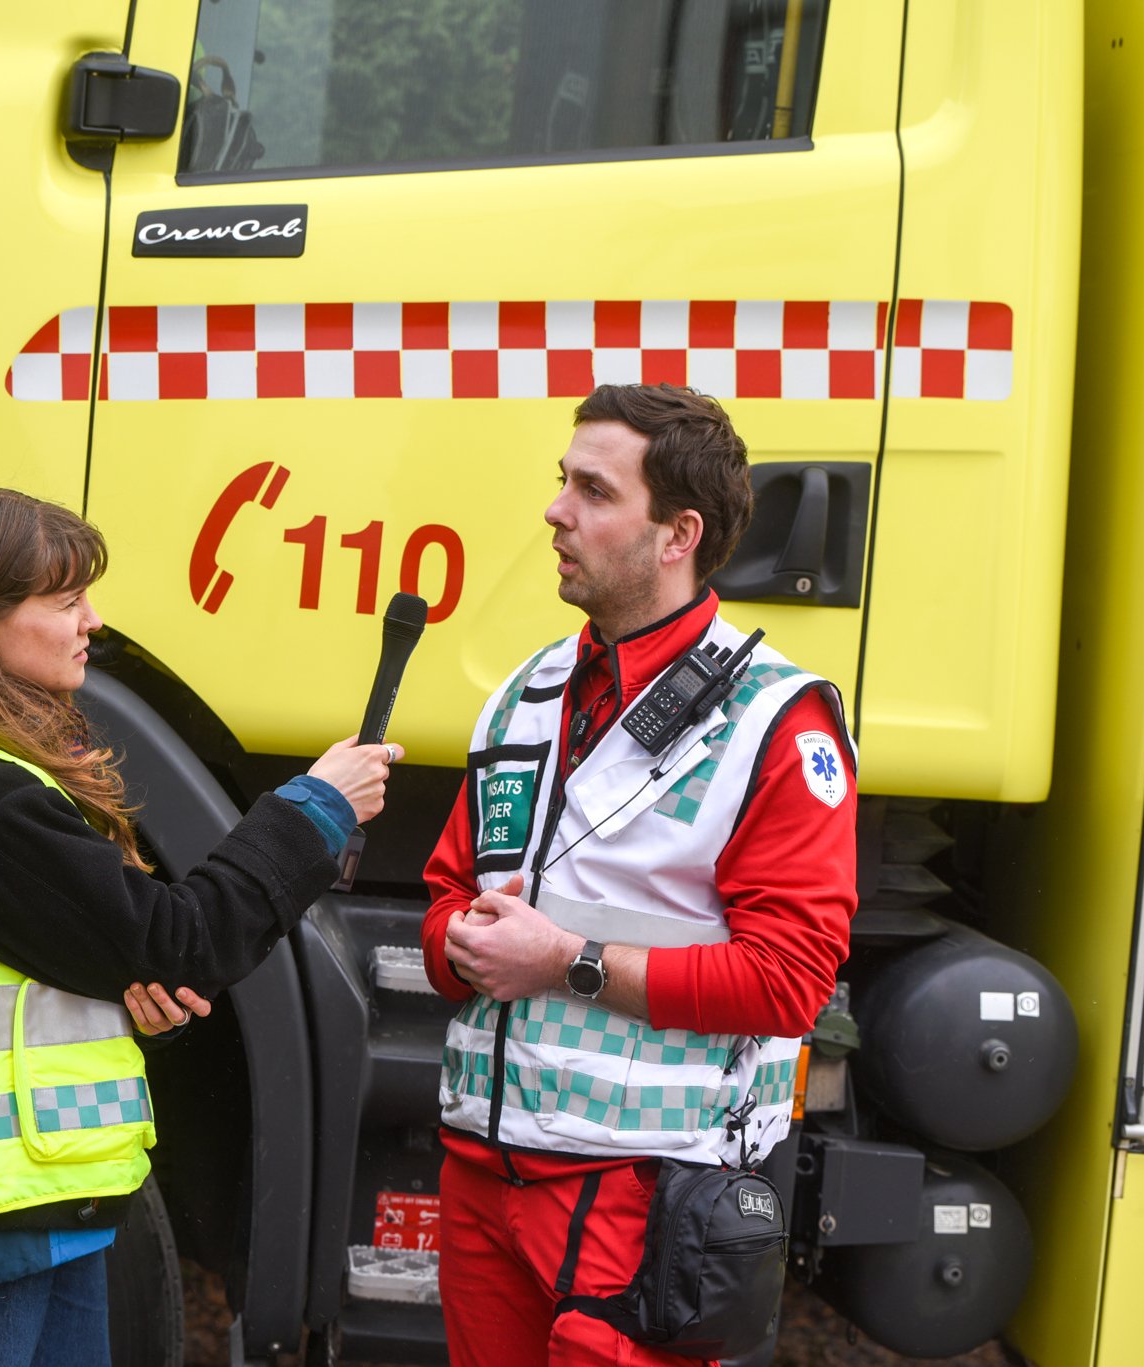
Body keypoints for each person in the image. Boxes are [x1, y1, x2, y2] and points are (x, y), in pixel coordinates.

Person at [0, 486, 396, 1366]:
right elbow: (181, 940)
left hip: (29, 1215)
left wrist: (126, 995)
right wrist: (313, 811)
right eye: (66, 600)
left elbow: (78, 966)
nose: (93, 621)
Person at [420, 385, 857, 1367]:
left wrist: (564, 961)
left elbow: (788, 981)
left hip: (635, 1198)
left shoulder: (773, 720)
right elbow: (445, 893)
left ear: (676, 533)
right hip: (479, 1178)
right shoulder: (522, 693)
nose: (554, 510)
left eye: (591, 489)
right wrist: (456, 937)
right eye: (559, 482)